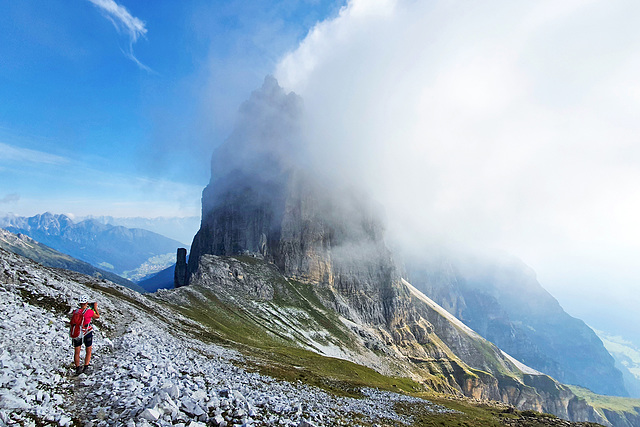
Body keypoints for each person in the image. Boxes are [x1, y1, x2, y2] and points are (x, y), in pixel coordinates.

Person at [71, 295, 100, 375]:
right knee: (88, 349)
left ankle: (78, 368)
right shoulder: (89, 311)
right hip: (87, 331)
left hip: (77, 332)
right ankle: (86, 366)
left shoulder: (75, 311)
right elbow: (97, 316)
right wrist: (95, 308)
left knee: (77, 351)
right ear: (86, 303)